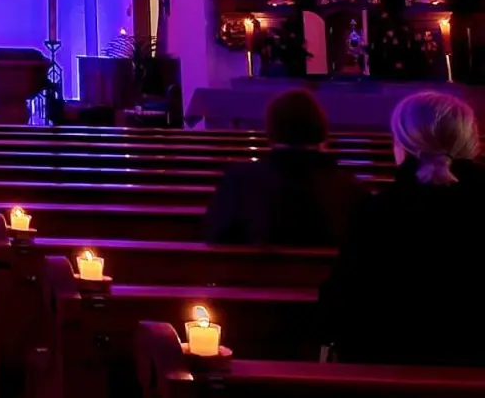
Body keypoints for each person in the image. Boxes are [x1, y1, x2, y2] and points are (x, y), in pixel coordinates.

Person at [320, 91, 485, 366]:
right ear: (470, 142)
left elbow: (340, 307)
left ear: (402, 146)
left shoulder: (376, 213)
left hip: (386, 375)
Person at [201, 89, 365, 246]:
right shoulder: (348, 187)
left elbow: (214, 236)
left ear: (271, 131)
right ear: (321, 129)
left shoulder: (239, 182)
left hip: (253, 274)